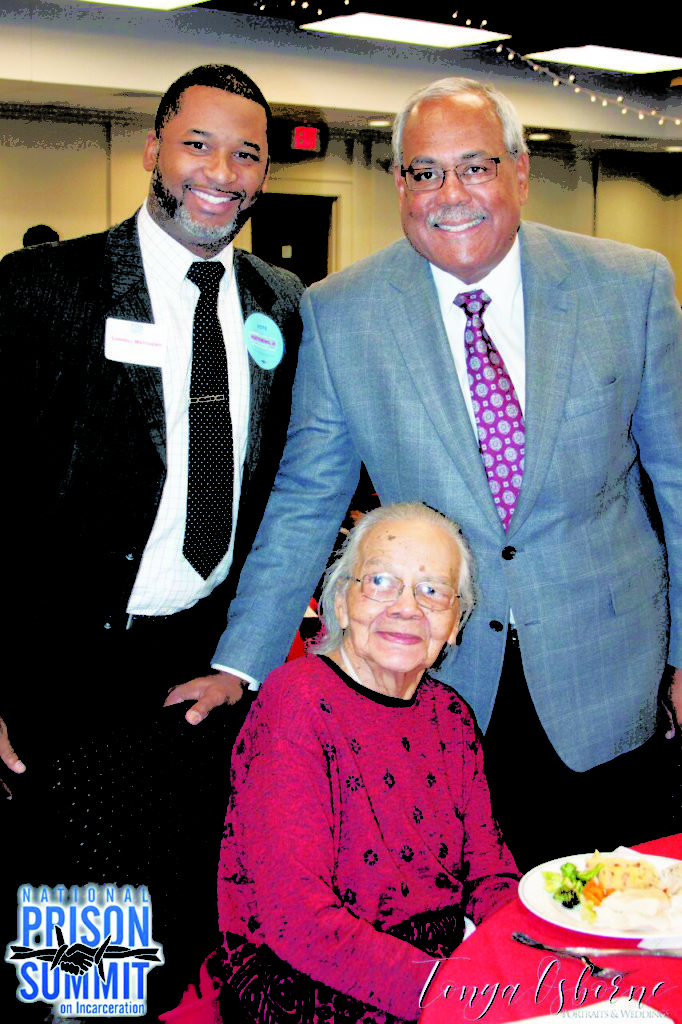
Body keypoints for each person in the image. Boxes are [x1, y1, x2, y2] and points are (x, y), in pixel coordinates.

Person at [168, 76, 682, 870]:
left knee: (611, 912)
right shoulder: (342, 311)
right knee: (464, 915)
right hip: (435, 682)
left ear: (519, 172)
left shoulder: (628, 285)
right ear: (400, 184)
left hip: (610, 672)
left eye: (475, 167)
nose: (451, 194)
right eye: (425, 172)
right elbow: (308, 498)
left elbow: (678, 483)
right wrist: (242, 662)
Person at [1, 63, 302, 1016]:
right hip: (62, 675)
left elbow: (287, 488)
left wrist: (242, 663)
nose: (221, 172)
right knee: (83, 961)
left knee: (177, 932)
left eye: (245, 154)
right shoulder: (46, 289)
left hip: (197, 675)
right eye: (197, 145)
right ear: (151, 151)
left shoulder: (281, 303)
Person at [161, 503, 519, 1024]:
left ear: (455, 623)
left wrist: (537, 948)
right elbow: (297, 922)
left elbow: (489, 873)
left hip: (440, 967)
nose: (407, 607)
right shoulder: (298, 702)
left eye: (432, 590)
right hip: (307, 980)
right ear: (341, 604)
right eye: (380, 582)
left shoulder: (451, 715)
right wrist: (455, 991)